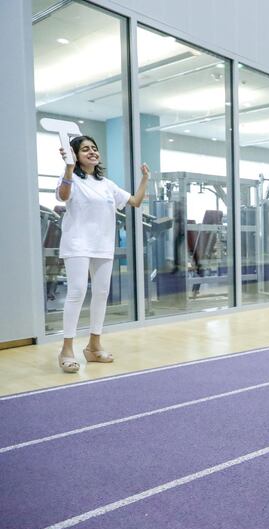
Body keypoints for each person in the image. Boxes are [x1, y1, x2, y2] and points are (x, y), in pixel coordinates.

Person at [56, 135, 150, 373]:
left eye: (94, 148)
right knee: (77, 292)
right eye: (85, 149)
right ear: (76, 156)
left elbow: (135, 202)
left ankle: (93, 347)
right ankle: (67, 349)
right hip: (77, 243)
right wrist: (68, 168)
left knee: (101, 293)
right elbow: (63, 196)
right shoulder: (71, 178)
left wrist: (145, 179)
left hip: (102, 245)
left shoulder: (107, 184)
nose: (92, 152)